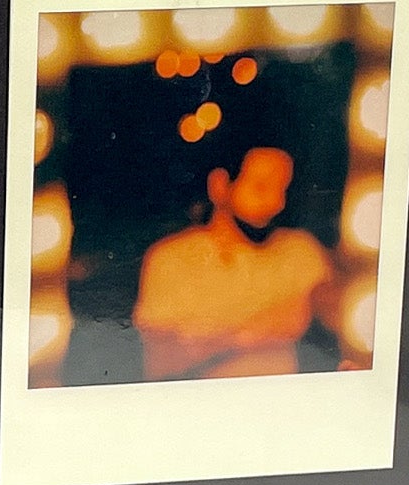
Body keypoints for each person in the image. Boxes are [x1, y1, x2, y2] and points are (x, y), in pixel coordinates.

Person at [132, 147, 336, 380]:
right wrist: (253, 333)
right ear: (219, 186)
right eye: (261, 187)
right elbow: (160, 363)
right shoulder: (171, 259)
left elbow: (341, 315)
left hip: (278, 399)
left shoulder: (299, 250)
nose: (276, 203)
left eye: (282, 189)